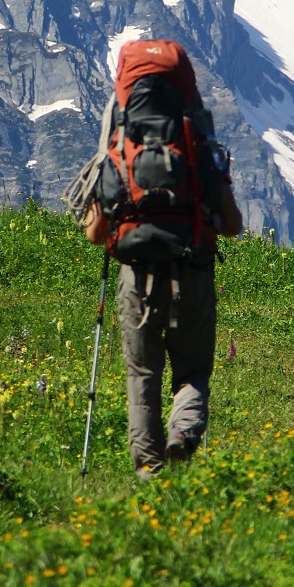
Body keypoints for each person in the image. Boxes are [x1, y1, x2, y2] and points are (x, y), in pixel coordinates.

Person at [81, 41, 244, 480]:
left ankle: (149, 471)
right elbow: (232, 225)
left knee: (142, 375)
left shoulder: (118, 142)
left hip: (135, 275)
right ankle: (184, 435)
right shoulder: (196, 141)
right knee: (192, 370)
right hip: (192, 269)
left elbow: (96, 233)